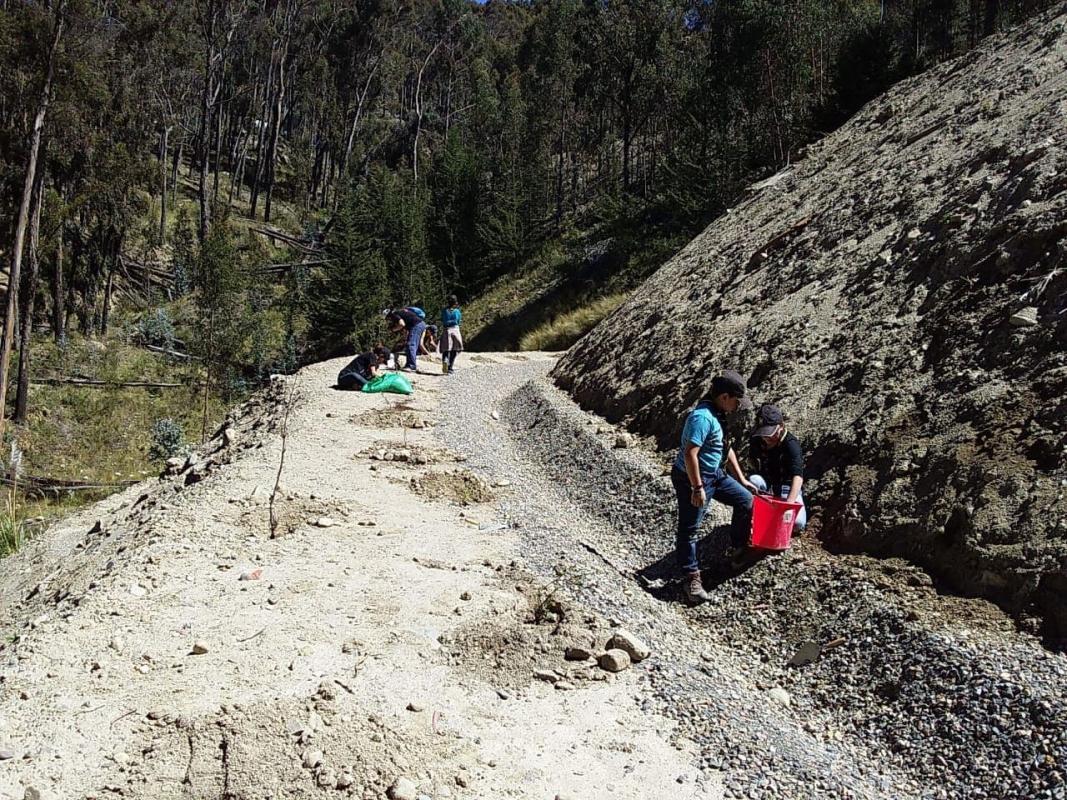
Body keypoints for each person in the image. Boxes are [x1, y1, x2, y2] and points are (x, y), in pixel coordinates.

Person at [671, 369, 759, 604]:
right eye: (737, 401)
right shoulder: (702, 418)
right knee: (690, 528)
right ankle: (691, 579)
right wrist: (697, 487)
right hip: (693, 477)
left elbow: (725, 447)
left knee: (745, 500)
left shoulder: (718, 414)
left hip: (715, 474)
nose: (738, 406)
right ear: (724, 397)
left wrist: (741, 479)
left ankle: (737, 549)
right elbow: (690, 453)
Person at [748, 404, 807, 531]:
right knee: (754, 480)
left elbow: (798, 477)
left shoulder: (791, 445)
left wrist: (788, 506)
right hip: (767, 487)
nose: (767, 438)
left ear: (780, 426)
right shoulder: (757, 441)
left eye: (771, 433)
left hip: (787, 488)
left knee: (797, 523)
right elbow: (751, 462)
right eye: (764, 434)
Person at [386, 307, 426, 372]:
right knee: (411, 345)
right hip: (420, 324)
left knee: (411, 345)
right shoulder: (400, 311)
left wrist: (393, 330)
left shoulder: (394, 314)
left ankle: (411, 366)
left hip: (416, 325)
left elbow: (402, 324)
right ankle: (410, 364)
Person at [439, 295, 463, 375]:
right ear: (455, 302)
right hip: (455, 329)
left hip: (446, 330)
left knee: (446, 349)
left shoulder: (444, 310)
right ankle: (450, 368)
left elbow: (442, 319)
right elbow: (459, 321)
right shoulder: (457, 311)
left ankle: (445, 360)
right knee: (455, 349)